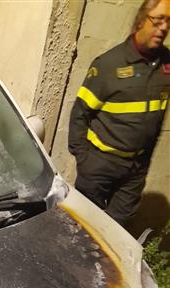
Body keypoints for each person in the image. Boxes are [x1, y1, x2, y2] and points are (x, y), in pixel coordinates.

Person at [68, 0, 170, 226]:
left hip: (135, 169)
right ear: (140, 21)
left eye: (168, 22)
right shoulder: (109, 65)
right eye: (158, 20)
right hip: (100, 164)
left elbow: (157, 117)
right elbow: (79, 114)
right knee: (84, 226)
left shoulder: (166, 65)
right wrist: (85, 161)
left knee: (118, 228)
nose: (163, 28)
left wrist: (144, 161)